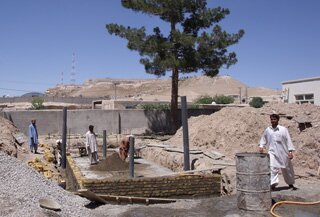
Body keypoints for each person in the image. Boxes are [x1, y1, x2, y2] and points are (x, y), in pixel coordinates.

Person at [259, 113, 296, 190]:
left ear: (278, 120)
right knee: (272, 168)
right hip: (272, 153)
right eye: (272, 119)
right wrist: (261, 146)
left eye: (274, 119)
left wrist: (290, 152)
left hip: (283, 152)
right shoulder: (268, 130)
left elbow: (288, 140)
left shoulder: (283, 129)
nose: (273, 121)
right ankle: (273, 185)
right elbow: (263, 139)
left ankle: (290, 183)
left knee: (287, 169)